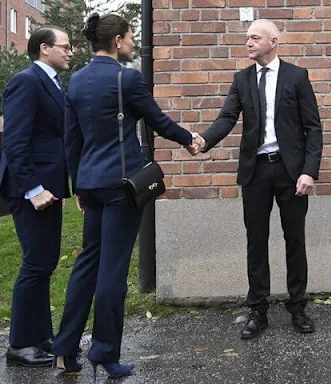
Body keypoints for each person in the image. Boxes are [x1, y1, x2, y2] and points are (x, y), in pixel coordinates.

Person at [50, 13, 201, 379]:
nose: (134, 42)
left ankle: (65, 349)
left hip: (92, 183)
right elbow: (158, 121)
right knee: (113, 272)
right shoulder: (127, 78)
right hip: (122, 186)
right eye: (131, 36)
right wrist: (190, 139)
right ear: (117, 41)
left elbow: (72, 139)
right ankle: (104, 352)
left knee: (87, 264)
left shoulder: (77, 80)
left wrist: (78, 185)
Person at [194, 19, 323, 339]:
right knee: (256, 241)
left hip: (291, 172)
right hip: (255, 172)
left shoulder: (297, 76)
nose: (248, 43)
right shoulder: (242, 79)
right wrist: (205, 140)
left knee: (295, 239)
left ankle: (298, 307)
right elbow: (226, 117)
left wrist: (309, 170)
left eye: (254, 38)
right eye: (247, 38)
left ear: (273, 41)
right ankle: (258, 310)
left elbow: (313, 128)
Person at [0, 26, 72, 368]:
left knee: (45, 262)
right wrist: (32, 189)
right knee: (35, 263)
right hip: (30, 191)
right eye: (65, 47)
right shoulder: (26, 82)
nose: (70, 52)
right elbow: (15, 141)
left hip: (48, 189)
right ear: (45, 49)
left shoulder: (52, 83)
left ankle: (41, 337)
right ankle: (20, 344)